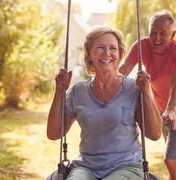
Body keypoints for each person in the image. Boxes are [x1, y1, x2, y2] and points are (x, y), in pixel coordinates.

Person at [47, 26, 162, 180]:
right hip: (86, 167)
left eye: (113, 48)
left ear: (120, 53)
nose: (107, 53)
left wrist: (146, 93)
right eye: (100, 48)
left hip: (126, 165)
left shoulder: (134, 88)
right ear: (89, 54)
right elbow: (54, 133)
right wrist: (59, 92)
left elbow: (154, 134)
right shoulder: (78, 92)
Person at [119, 10, 176, 180]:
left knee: (170, 158)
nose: (157, 38)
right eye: (153, 33)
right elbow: (123, 69)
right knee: (175, 142)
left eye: (163, 33)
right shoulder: (142, 46)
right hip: (161, 108)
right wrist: (105, 85)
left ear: (173, 34)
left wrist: (171, 109)